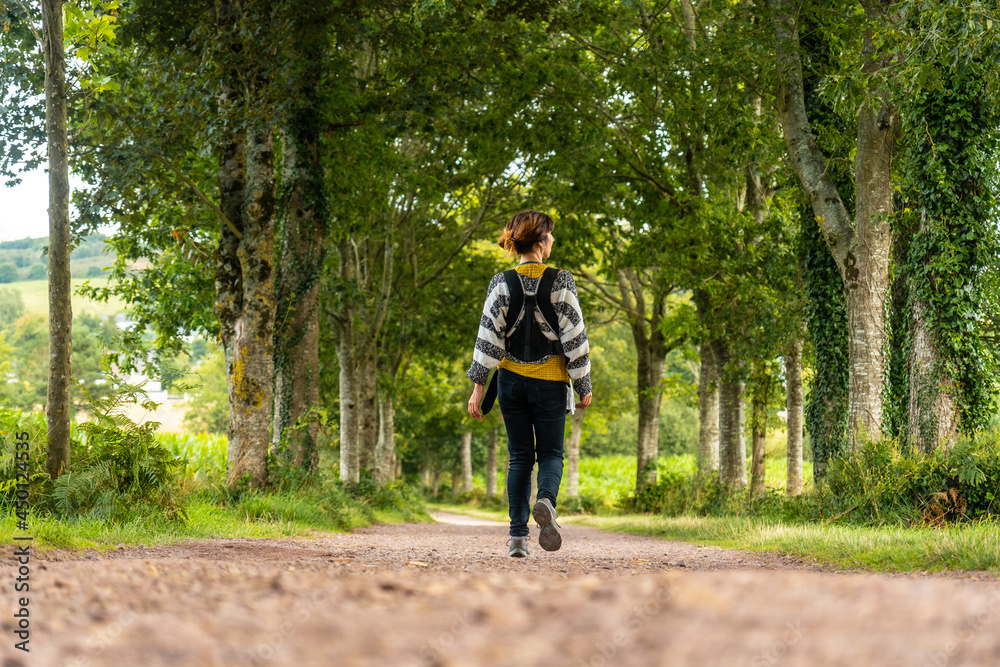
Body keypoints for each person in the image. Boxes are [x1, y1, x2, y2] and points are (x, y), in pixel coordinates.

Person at [467, 210, 592, 558]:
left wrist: (478, 389)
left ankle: (518, 538)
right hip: (551, 384)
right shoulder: (562, 281)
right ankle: (546, 502)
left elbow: (487, 339)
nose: (552, 241)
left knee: (519, 458)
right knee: (551, 453)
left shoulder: (501, 282)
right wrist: (583, 384)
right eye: (550, 235)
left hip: (510, 384)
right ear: (539, 241)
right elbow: (575, 338)